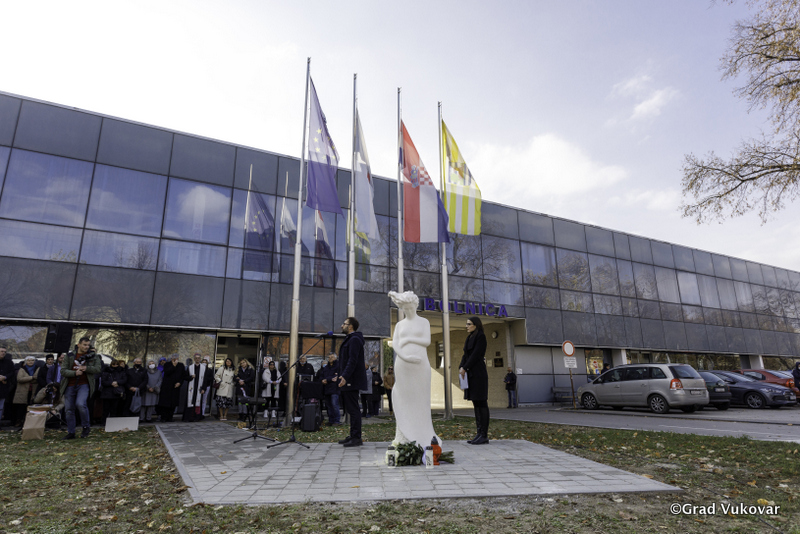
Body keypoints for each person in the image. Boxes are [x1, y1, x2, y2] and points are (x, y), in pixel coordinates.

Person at [60, 337, 102, 439]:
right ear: (78, 345)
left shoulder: (93, 356)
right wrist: (74, 373)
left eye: (88, 345)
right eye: (84, 345)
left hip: (84, 384)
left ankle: (86, 427)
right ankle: (71, 432)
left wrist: (86, 368)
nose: (86, 347)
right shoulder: (69, 356)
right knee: (69, 409)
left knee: (80, 404)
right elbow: (63, 371)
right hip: (70, 385)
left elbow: (98, 369)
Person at [459, 316, 489, 445]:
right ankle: (479, 433)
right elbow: (465, 355)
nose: (466, 326)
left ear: (475, 325)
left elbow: (476, 354)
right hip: (471, 374)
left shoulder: (481, 337)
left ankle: (484, 435)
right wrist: (461, 367)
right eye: (466, 324)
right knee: (476, 403)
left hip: (479, 374)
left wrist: (465, 367)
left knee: (481, 403)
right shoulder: (469, 337)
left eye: (469, 324)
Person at [337, 317, 367, 447]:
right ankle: (353, 435)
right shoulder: (350, 339)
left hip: (351, 380)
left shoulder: (354, 339)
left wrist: (345, 376)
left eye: (344, 324)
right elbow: (345, 361)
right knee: (350, 409)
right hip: (348, 379)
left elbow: (352, 360)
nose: (341, 325)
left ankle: (356, 437)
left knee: (354, 409)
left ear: (350, 327)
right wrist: (339, 375)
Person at [183, 353, 212, 422]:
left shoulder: (204, 368)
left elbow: (205, 379)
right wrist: (191, 377)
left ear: (200, 359)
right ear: (194, 359)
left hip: (199, 388)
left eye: (199, 358)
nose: (197, 359)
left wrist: (204, 388)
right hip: (191, 388)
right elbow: (185, 377)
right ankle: (189, 417)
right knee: (190, 401)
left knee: (198, 402)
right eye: (196, 358)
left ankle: (197, 417)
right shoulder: (190, 367)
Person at [13, 356, 40, 427]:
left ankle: (30, 422)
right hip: (23, 391)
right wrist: (31, 377)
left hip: (33, 390)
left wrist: (27, 379)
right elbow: (19, 379)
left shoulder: (38, 368)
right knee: (21, 408)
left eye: (32, 360)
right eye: (29, 360)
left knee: (32, 406)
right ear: (25, 362)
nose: (30, 362)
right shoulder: (22, 369)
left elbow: (37, 378)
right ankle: (19, 421)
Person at [157, 354, 185, 422]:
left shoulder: (181, 365)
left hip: (175, 387)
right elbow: (167, 372)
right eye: (173, 358)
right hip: (167, 387)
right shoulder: (167, 364)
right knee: (165, 403)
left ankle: (170, 417)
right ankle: (163, 417)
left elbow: (183, 375)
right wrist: (173, 366)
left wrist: (180, 383)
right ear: (171, 359)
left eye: (176, 358)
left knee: (173, 403)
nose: (175, 360)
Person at [100, 359, 128, 423]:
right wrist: (111, 383)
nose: (115, 366)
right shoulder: (106, 371)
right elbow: (103, 381)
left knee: (114, 409)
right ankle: (104, 422)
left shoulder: (121, 371)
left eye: (116, 364)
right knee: (106, 409)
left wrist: (117, 382)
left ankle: (112, 423)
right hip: (107, 393)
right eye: (114, 364)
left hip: (116, 392)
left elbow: (124, 380)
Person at [319, 353, 340, 425]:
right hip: (327, 389)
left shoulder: (338, 366)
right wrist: (322, 380)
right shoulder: (326, 368)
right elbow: (321, 376)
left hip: (335, 389)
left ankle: (337, 421)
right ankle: (331, 420)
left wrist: (327, 380)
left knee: (334, 405)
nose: (330, 358)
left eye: (332, 357)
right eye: (329, 357)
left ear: (335, 358)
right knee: (329, 406)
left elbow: (336, 377)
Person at [0, 346, 16, 426]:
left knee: (1, 407)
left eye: (4, 352)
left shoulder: (9, 362)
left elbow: (12, 372)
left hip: (3, 388)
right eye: (1, 351)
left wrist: (5, 377)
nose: (3, 353)